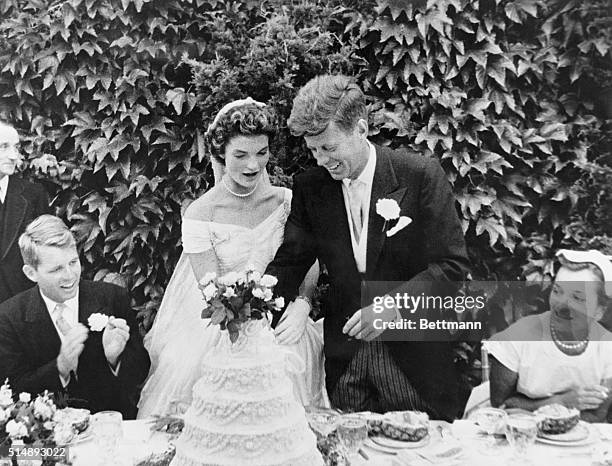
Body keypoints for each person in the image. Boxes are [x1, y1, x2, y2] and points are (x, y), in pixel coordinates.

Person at [266, 75, 471, 419]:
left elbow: (451, 267)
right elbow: (290, 263)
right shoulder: (311, 187)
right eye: (313, 150)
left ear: (360, 129)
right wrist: (252, 310)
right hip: (346, 363)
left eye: (329, 148)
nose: (320, 160)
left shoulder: (419, 174)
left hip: (414, 361)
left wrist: (393, 305)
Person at [138, 98, 326, 418]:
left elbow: (306, 259)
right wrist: (249, 330)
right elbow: (210, 289)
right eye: (240, 154)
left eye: (261, 153)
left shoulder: (287, 201)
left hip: (281, 316)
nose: (253, 165)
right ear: (220, 154)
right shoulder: (201, 214)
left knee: (291, 372)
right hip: (223, 321)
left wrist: (303, 303)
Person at [0, 215, 150, 419]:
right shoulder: (8, 317)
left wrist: (114, 358)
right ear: (31, 273)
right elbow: (14, 391)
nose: (70, 275)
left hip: (111, 428)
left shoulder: (112, 297)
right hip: (50, 439)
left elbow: (141, 371)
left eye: (73, 262)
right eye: (56, 269)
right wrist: (60, 368)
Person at [488, 249, 612, 422]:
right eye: (557, 291)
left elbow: (598, 415)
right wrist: (560, 402)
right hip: (520, 434)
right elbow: (500, 407)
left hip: (581, 441)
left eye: (577, 297)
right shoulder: (518, 338)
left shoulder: (607, 347)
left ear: (600, 310)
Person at [0, 121, 51, 303]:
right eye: (4, 147)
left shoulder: (33, 194)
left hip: (22, 305)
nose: (14, 156)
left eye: (16, 147)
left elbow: (48, 253)